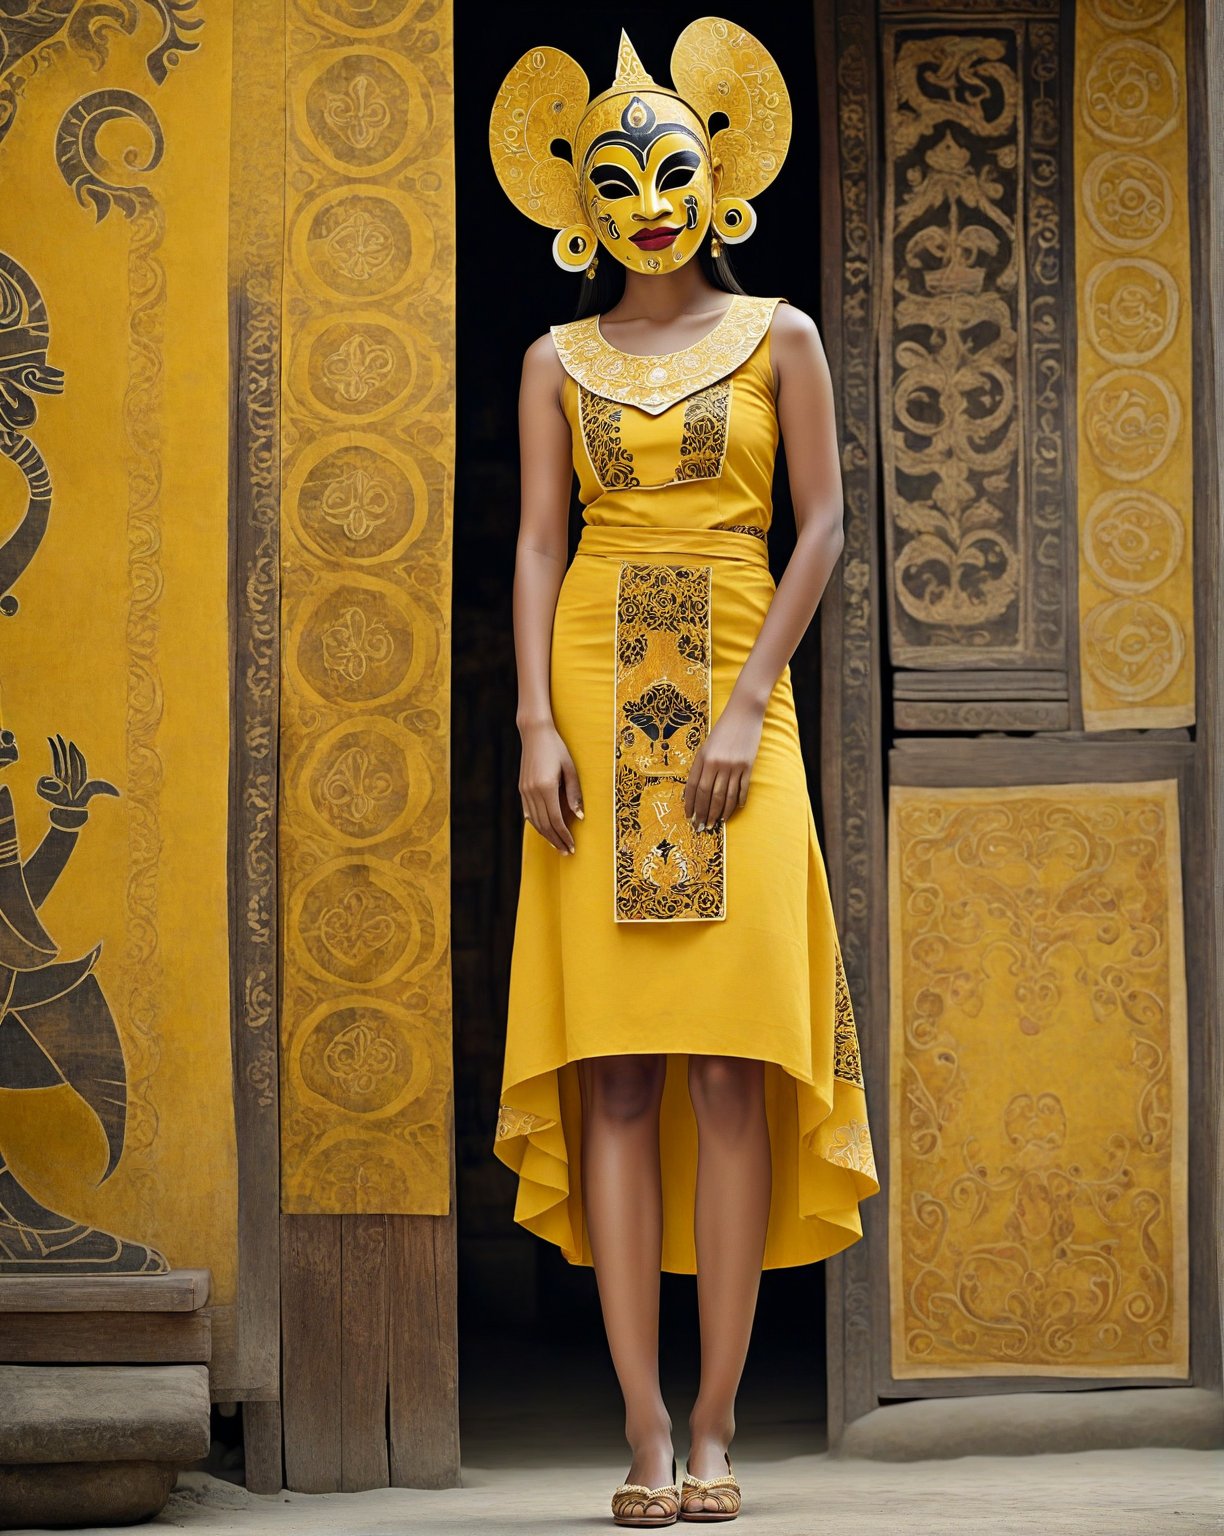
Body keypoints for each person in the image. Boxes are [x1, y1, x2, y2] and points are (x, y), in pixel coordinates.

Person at [488, 20, 879, 1527]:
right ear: (578, 199)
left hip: (735, 702)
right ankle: (643, 1435)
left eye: (674, 172)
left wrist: (747, 699)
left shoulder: (780, 332)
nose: (650, 202)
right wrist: (533, 720)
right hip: (594, 689)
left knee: (731, 1064)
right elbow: (534, 541)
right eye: (618, 178)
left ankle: (720, 1424)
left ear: (718, 180)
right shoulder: (553, 360)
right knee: (623, 1070)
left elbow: (825, 526)